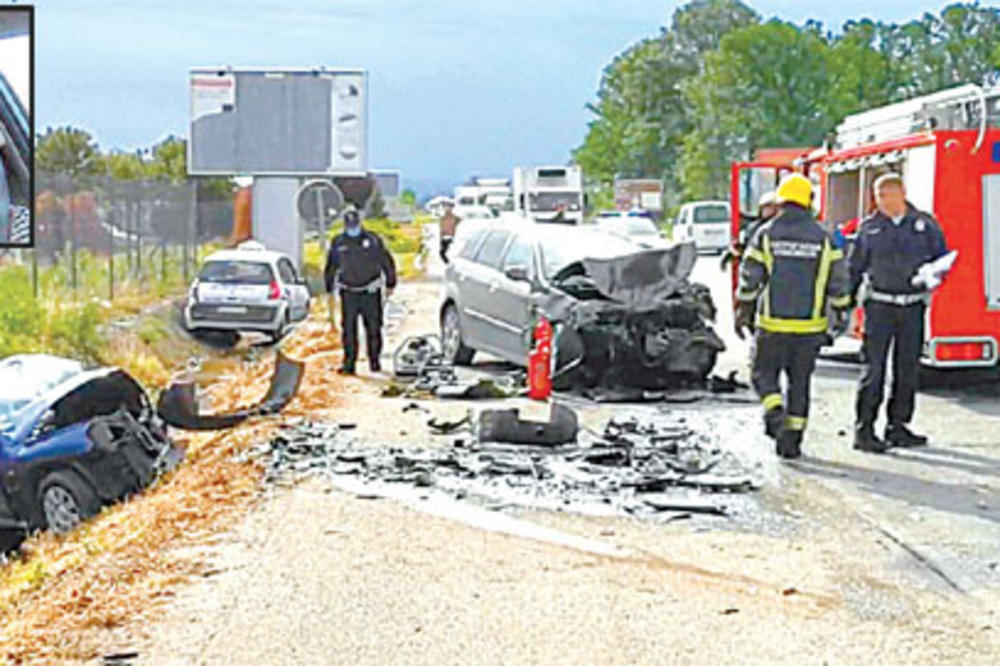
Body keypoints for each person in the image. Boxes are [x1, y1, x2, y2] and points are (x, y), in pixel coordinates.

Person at [735, 173, 851, 459]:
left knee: (763, 374)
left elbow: (750, 277)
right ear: (809, 201)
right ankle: (792, 442)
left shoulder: (766, 234)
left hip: (771, 324)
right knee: (800, 382)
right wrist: (840, 313)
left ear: (781, 201)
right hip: (810, 327)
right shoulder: (824, 238)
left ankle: (774, 413)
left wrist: (743, 308)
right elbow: (838, 281)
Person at [848, 172, 951, 453]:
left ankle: (898, 426)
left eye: (887, 195)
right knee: (874, 370)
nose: (882, 201)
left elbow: (942, 259)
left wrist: (932, 276)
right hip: (879, 306)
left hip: (912, 306)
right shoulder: (869, 228)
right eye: (878, 196)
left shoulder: (925, 225)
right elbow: (855, 268)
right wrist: (846, 305)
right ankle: (864, 430)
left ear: (901, 194)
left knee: (907, 370)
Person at [324, 209, 397, 375]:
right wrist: (329, 289)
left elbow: (386, 261)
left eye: (355, 224)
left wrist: (390, 282)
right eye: (349, 225)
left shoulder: (372, 240)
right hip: (348, 292)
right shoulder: (338, 242)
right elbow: (331, 266)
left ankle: (374, 361)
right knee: (349, 330)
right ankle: (349, 364)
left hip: (370, 291)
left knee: (373, 328)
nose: (353, 228)